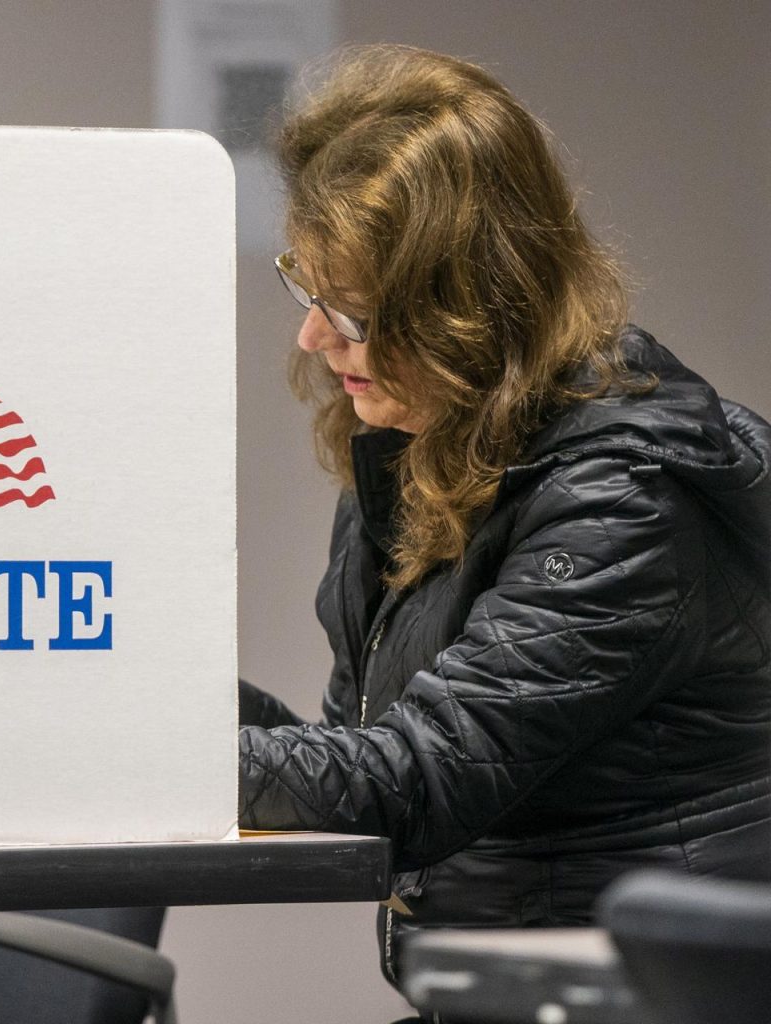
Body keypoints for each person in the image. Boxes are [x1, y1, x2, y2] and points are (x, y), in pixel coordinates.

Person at [238, 43, 771, 1010]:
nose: (315, 338)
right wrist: (153, 710)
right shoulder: (417, 447)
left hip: (645, 998)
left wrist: (145, 751)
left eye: (351, 312)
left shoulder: (625, 497)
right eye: (309, 295)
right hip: (503, 988)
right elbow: (357, 746)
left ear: (465, 309)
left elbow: (413, 781)